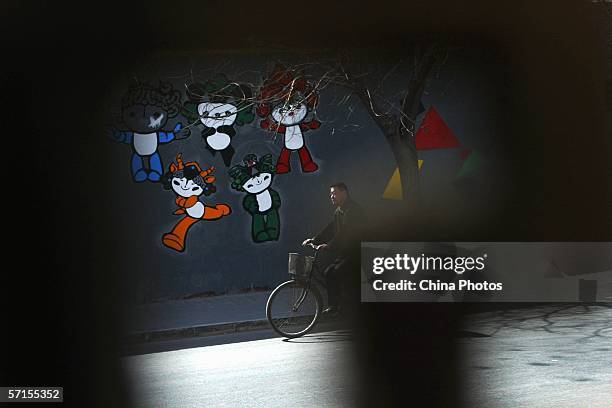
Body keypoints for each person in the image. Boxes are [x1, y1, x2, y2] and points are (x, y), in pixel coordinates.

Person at [302, 182, 365, 316]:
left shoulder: (353, 210)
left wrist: (328, 246)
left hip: (357, 252)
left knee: (335, 272)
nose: (332, 196)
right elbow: (331, 229)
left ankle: (340, 305)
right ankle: (335, 305)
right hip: (346, 253)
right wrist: (315, 240)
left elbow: (345, 233)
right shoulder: (338, 211)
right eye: (331, 194)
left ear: (344, 193)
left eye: (334, 193)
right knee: (329, 272)